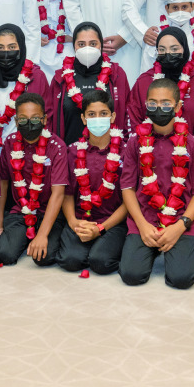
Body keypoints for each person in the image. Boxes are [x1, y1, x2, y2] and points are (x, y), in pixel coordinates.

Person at [118, 77, 194, 288]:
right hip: (145, 219)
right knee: (131, 275)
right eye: (152, 103)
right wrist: (141, 225)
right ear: (145, 105)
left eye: (166, 103)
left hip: (180, 221)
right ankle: (148, 248)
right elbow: (127, 187)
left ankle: (170, 248)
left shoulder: (191, 143)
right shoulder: (134, 142)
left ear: (178, 106)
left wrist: (180, 227)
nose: (158, 108)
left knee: (182, 279)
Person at [0, 92, 69, 266]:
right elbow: (3, 183)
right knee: (3, 254)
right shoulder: (10, 143)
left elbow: (58, 193)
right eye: (23, 119)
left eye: (35, 119)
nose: (29, 124)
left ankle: (37, 236)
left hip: (49, 213)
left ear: (44, 119)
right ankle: (21, 238)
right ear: (17, 122)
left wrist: (42, 235)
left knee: (44, 258)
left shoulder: (57, 146)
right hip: (20, 211)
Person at [58, 90, 129, 275]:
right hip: (81, 219)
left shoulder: (126, 151)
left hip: (113, 222)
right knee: (69, 261)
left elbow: (129, 201)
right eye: (91, 114)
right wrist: (73, 222)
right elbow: (67, 194)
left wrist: (102, 228)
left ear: (112, 117)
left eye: (103, 114)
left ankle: (104, 246)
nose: (98, 119)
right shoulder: (73, 151)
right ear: (83, 118)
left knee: (101, 263)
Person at [129, 22, 194, 148]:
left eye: (174, 49)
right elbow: (134, 118)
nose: (168, 53)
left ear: (184, 49)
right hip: (149, 156)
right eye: (162, 49)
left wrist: (192, 150)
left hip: (187, 156)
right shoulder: (144, 82)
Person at [49, 21, 132, 145]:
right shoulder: (60, 78)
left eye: (93, 44)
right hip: (70, 157)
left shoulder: (117, 74)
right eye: (81, 44)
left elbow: (127, 116)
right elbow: (50, 121)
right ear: (74, 46)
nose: (87, 48)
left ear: (100, 45)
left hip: (110, 157)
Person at [0, 23, 50, 151]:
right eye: (0, 48)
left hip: (28, 150)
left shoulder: (36, 77)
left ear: (21, 47)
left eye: (12, 47)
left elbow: (47, 117)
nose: (6, 52)